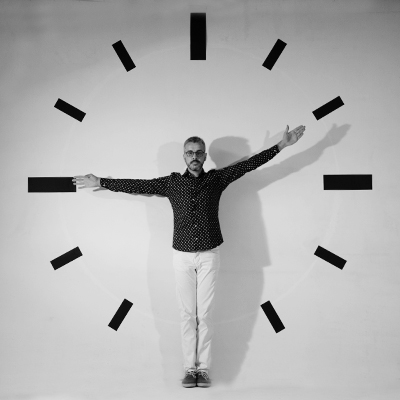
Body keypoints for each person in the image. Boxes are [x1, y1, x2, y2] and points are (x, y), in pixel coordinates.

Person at [72, 125, 305, 388]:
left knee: (204, 314)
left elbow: (249, 165)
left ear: (205, 156)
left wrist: (281, 145)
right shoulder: (172, 183)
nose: (194, 156)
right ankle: (188, 369)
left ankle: (203, 370)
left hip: (209, 255)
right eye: (189, 153)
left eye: (198, 152)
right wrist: (101, 181)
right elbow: (138, 185)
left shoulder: (217, 179)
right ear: (184, 156)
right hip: (181, 256)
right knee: (186, 314)